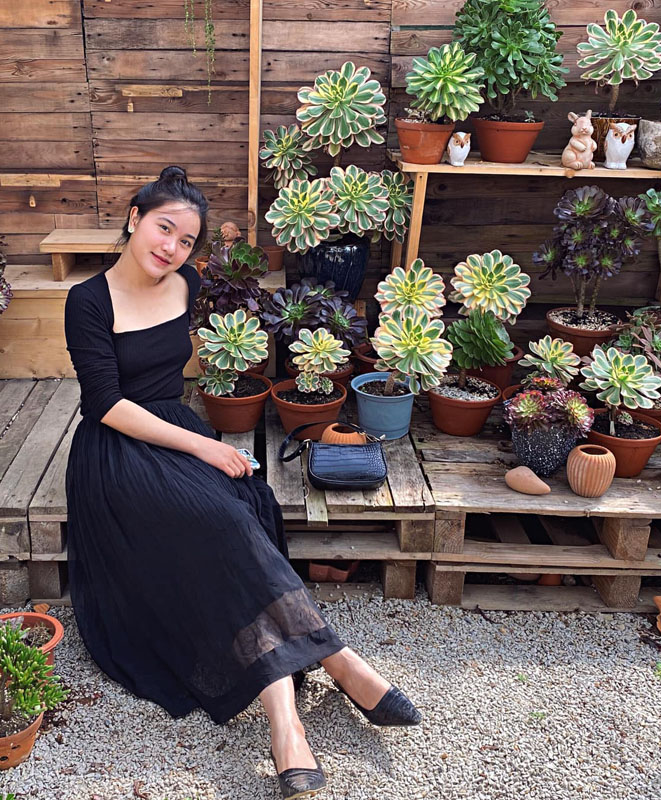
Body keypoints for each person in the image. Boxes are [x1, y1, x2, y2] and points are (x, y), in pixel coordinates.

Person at [64, 166, 421, 798]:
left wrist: (205, 441)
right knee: (221, 520)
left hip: (173, 428)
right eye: (163, 228)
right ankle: (337, 664)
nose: (171, 247)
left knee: (247, 504)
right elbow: (105, 404)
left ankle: (289, 721)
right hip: (116, 451)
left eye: (185, 240)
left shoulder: (187, 283)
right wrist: (207, 446)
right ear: (134, 218)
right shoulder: (88, 300)